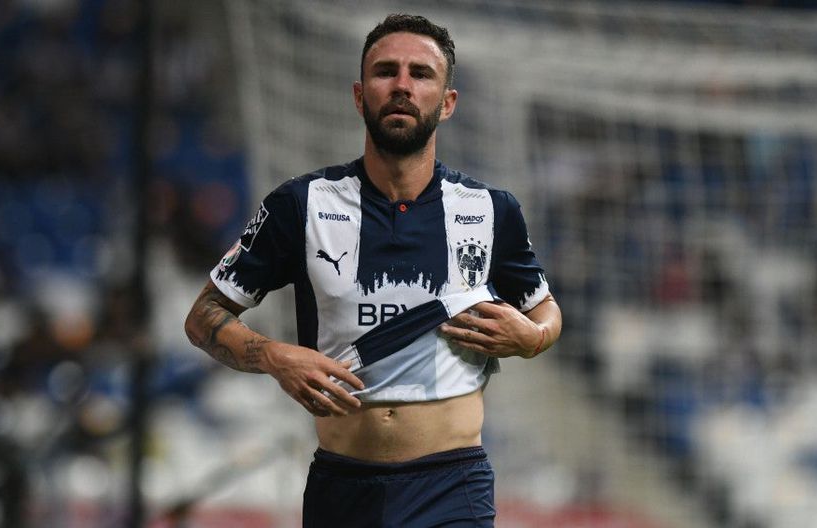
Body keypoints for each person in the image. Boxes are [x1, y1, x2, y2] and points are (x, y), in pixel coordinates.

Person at [185, 13, 561, 527]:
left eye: (421, 74)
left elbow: (545, 309)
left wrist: (533, 338)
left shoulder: (491, 210)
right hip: (342, 488)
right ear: (360, 97)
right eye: (386, 71)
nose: (402, 85)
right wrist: (274, 356)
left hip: (451, 489)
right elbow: (203, 316)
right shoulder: (301, 205)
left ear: (447, 103)